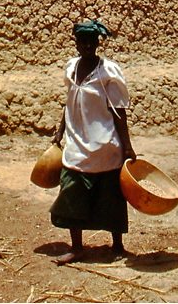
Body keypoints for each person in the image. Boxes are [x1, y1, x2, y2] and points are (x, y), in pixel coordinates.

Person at [50, 19, 136, 263]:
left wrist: (127, 146)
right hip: (77, 145)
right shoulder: (71, 68)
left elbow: (119, 111)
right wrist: (60, 131)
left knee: (111, 197)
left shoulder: (107, 72)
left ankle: (117, 246)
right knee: (71, 192)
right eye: (83, 41)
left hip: (105, 147)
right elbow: (69, 102)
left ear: (98, 43)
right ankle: (76, 247)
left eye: (92, 41)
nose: (88, 46)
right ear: (76, 44)